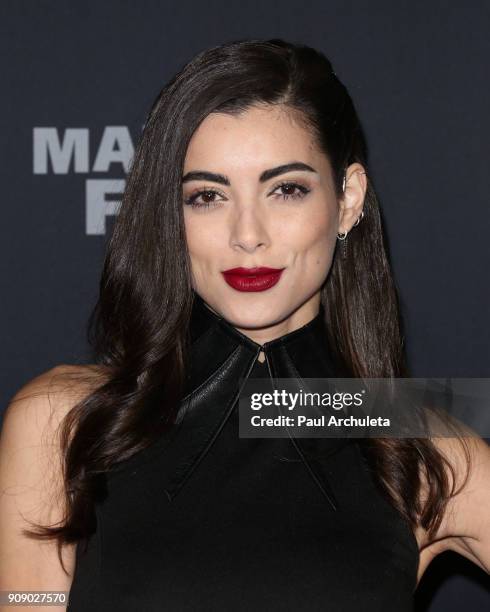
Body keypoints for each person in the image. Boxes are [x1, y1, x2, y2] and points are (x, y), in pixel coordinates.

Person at [1, 38, 489, 612]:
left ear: (348, 199)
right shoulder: (65, 421)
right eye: (207, 196)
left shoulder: (418, 444)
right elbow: (26, 600)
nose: (247, 234)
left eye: (286, 189)